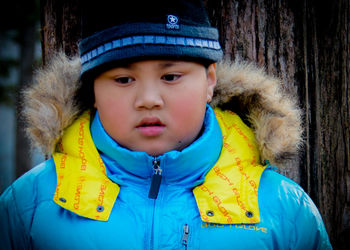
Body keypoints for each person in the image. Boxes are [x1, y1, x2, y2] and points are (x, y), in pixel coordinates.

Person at [0, 0, 332, 249]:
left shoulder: (281, 207)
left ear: (210, 81)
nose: (148, 99)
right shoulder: (31, 203)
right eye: (123, 78)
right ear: (92, 91)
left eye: (170, 76)